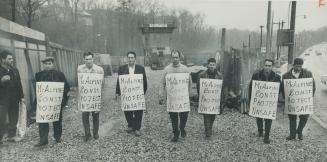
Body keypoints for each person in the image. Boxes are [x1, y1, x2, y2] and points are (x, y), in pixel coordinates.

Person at [34, 56, 70, 147]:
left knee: (57, 119)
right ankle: (43, 139)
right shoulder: (38, 75)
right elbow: (37, 88)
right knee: (42, 120)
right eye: (46, 64)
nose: (47, 66)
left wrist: (60, 96)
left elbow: (67, 87)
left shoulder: (59, 74)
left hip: (56, 102)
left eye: (49, 64)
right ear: (43, 65)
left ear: (53, 64)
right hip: (44, 103)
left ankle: (57, 137)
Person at [159, 50, 192, 142]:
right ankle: (176, 134)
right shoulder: (167, 69)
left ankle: (182, 128)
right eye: (173, 57)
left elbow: (190, 83)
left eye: (176, 57)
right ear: (171, 58)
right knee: (173, 117)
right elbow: (162, 83)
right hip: (172, 98)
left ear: (179, 58)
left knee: (184, 116)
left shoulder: (185, 69)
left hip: (183, 98)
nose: (175, 59)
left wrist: (189, 95)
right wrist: (160, 94)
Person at [281, 58, 315, 141]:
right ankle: (292, 135)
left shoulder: (308, 73)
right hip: (292, 101)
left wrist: (309, 97)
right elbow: (283, 88)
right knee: (292, 118)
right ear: (293, 65)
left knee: (304, 117)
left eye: (300, 66)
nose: (298, 68)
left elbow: (313, 86)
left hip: (304, 100)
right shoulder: (286, 75)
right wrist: (286, 99)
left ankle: (299, 131)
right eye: (297, 66)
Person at [248, 59, 281, 144]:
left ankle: (267, 135)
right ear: (263, 66)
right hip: (259, 101)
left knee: (268, 118)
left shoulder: (277, 77)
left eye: (269, 66)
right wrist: (251, 99)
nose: (267, 67)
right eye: (266, 65)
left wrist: (276, 101)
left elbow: (279, 90)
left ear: (272, 67)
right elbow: (251, 87)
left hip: (269, 102)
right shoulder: (256, 75)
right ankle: (260, 130)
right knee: (259, 116)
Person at [115, 51, 147, 137]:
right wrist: (117, 92)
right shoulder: (122, 69)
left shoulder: (141, 68)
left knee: (138, 111)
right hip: (127, 94)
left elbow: (144, 82)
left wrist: (141, 93)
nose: (130, 59)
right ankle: (130, 125)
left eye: (132, 57)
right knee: (127, 110)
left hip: (137, 94)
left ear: (135, 59)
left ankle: (137, 128)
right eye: (128, 57)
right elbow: (119, 81)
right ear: (127, 58)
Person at [77, 52, 104, 142]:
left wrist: (97, 94)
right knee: (85, 115)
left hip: (95, 95)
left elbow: (102, 84)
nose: (88, 61)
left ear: (93, 59)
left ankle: (95, 132)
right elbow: (79, 83)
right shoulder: (80, 69)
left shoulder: (99, 70)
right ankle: (87, 133)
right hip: (85, 96)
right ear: (84, 59)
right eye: (86, 59)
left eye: (90, 59)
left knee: (95, 115)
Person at [0, 50, 24, 146]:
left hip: (14, 98)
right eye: (9, 59)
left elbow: (19, 84)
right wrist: (1, 80)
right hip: (2, 99)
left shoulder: (15, 70)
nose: (12, 60)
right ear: (2, 59)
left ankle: (11, 136)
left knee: (14, 117)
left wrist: (22, 97)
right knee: (1, 118)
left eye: (12, 58)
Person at [196, 58, 223, 139]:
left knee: (212, 115)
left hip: (214, 99)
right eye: (210, 65)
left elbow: (221, 88)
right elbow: (198, 86)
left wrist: (220, 99)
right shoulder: (202, 75)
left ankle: (210, 127)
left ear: (215, 65)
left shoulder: (219, 75)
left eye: (213, 65)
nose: (212, 66)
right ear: (208, 65)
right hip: (205, 98)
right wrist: (201, 96)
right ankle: (208, 131)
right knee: (206, 115)